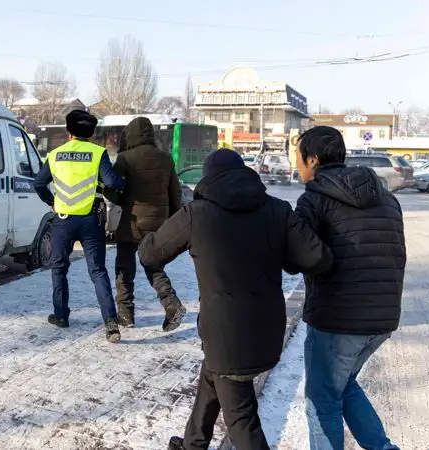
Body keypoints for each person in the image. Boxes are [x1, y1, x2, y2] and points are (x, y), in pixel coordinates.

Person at [137, 148, 333, 450]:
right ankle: (194, 444)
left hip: (227, 337)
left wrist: (147, 230)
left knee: (241, 420)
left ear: (208, 179)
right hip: (265, 331)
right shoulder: (277, 209)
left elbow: (150, 254)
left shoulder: (196, 214)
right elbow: (317, 258)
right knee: (212, 378)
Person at [294, 126, 405, 450]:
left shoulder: (314, 198)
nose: (297, 165)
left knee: (321, 402)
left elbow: (299, 255)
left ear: (313, 159)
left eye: (299, 157)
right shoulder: (386, 196)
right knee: (343, 386)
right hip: (383, 317)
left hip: (338, 320)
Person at [34, 110, 126, 343]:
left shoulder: (55, 154)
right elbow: (114, 182)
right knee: (97, 271)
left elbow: (39, 184)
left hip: (63, 221)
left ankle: (61, 315)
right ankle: (111, 323)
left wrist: (52, 201)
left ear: (69, 132)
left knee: (59, 268)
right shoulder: (98, 153)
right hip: (91, 220)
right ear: (92, 132)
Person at [103, 117, 185, 331]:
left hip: (132, 223)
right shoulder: (166, 159)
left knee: (124, 268)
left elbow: (113, 191)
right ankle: (171, 304)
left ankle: (126, 314)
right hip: (159, 224)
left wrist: (118, 197)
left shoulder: (124, 158)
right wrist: (176, 223)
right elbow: (175, 194)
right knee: (153, 265)